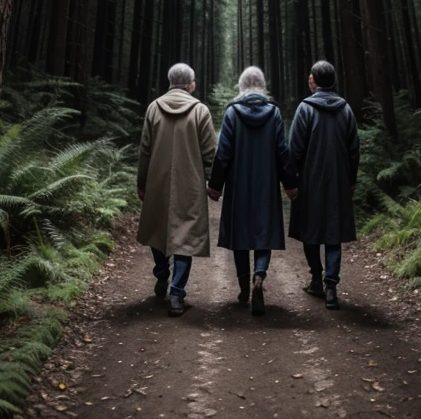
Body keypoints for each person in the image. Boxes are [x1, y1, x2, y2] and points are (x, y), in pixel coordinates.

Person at [207, 66, 298, 316]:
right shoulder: (274, 114)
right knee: (263, 231)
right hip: (266, 184)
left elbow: (223, 153)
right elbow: (282, 151)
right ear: (262, 85)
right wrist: (290, 184)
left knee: (240, 235)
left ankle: (244, 287)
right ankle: (259, 276)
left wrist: (215, 185)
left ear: (242, 86)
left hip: (238, 185)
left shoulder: (232, 113)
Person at [137, 63, 217, 317]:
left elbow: (144, 150)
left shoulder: (153, 108)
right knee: (186, 238)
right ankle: (177, 295)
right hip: (190, 185)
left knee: (158, 229)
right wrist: (214, 183)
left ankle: (162, 274)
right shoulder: (200, 111)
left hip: (157, 182)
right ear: (191, 84)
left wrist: (142, 183)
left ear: (170, 82)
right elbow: (210, 153)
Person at [288, 59, 360, 311]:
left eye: (311, 75)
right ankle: (331, 287)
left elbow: (295, 148)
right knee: (333, 233)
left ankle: (317, 279)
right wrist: (351, 179)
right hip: (339, 180)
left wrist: (292, 180)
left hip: (310, 179)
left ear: (314, 81)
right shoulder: (346, 110)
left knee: (310, 230)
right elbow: (354, 149)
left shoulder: (305, 109)